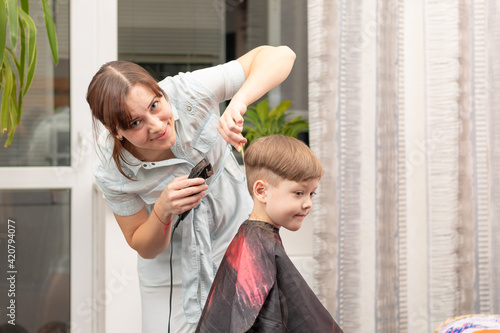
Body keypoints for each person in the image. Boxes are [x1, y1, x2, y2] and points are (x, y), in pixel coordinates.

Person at [86, 46, 296, 333]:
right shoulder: (112, 170)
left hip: (236, 244)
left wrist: (238, 102)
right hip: (171, 275)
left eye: (155, 105)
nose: (157, 124)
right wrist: (163, 210)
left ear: (160, 93)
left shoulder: (189, 92)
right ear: (116, 132)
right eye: (136, 123)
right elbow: (143, 245)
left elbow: (282, 55)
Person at [195, 135, 343, 333]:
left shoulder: (254, 238)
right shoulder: (258, 246)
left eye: (311, 193)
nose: (308, 203)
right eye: (299, 193)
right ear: (261, 191)